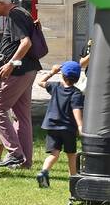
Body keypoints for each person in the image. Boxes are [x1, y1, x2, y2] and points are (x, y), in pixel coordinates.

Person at [0, 0, 43, 169]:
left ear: (1, 3)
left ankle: (15, 153)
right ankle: (25, 161)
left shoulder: (14, 15)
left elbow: (26, 43)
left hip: (18, 72)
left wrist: (11, 64)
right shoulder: (22, 12)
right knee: (22, 116)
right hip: (29, 70)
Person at [35, 60, 85, 188]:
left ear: (62, 75)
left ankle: (44, 172)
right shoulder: (76, 93)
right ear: (77, 78)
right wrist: (80, 126)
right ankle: (73, 180)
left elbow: (40, 82)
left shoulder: (55, 87)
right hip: (67, 128)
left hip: (52, 126)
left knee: (54, 154)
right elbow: (76, 110)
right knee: (71, 155)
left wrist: (52, 72)